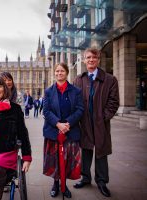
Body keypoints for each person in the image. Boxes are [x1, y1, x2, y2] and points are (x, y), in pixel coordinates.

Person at [73, 47, 119, 197]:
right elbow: (74, 102)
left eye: (94, 57)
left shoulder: (110, 79)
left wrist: (103, 117)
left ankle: (102, 182)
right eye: (88, 58)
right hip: (84, 122)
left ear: (98, 60)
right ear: (85, 60)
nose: (91, 60)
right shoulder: (79, 80)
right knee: (85, 151)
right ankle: (85, 178)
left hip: (101, 123)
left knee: (101, 153)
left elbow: (113, 102)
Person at [43, 63, 84, 198]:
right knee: (54, 160)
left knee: (68, 160)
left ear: (66, 73)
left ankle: (64, 185)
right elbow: (46, 111)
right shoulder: (49, 91)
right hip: (53, 132)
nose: (59, 73)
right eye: (57, 71)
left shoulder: (76, 91)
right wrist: (57, 124)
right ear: (54, 73)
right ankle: (56, 184)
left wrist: (67, 124)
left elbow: (80, 109)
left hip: (70, 132)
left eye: (62, 71)